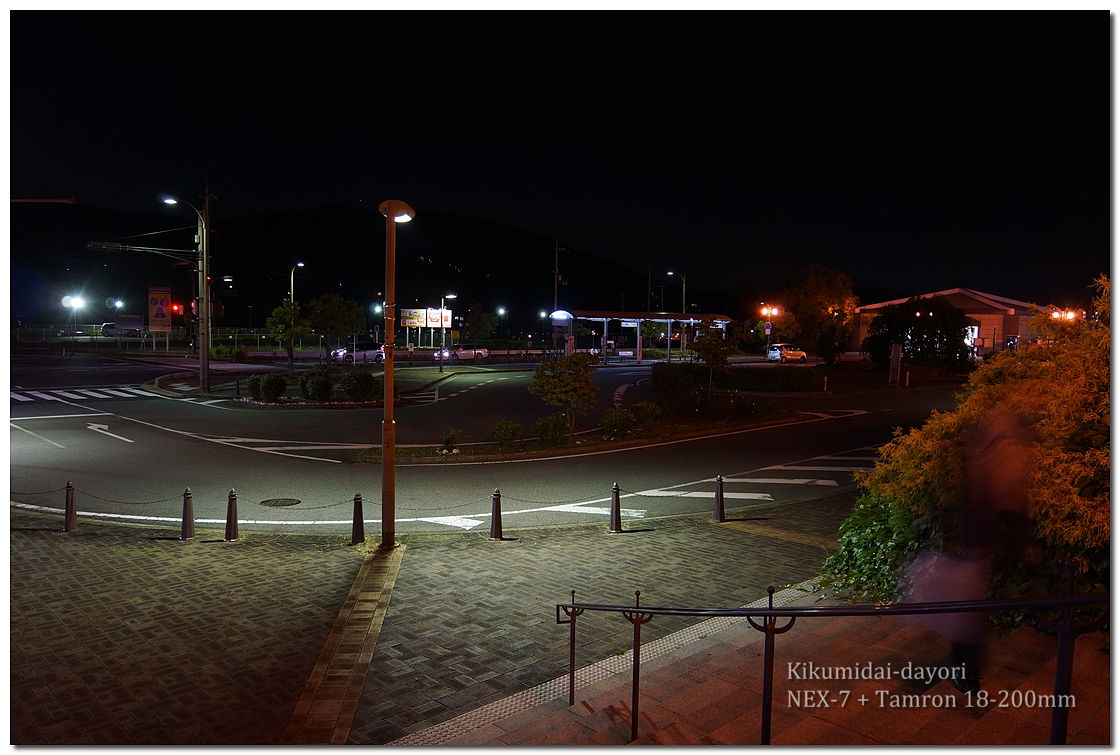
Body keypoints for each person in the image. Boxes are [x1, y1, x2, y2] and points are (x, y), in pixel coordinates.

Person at [904, 406, 1035, 694]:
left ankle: (965, 668)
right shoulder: (999, 460)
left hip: (972, 546)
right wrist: (1022, 543)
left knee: (967, 608)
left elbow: (999, 504)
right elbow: (1009, 506)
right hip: (972, 547)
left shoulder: (988, 458)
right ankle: (965, 670)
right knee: (968, 610)